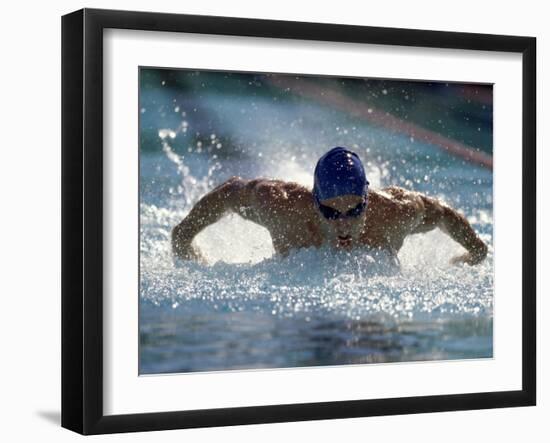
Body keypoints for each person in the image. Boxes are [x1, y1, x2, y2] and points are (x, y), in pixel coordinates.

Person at [172, 146, 488, 265]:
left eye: (353, 211)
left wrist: (475, 250)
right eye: (330, 212)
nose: (343, 223)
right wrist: (184, 236)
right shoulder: (283, 208)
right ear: (314, 201)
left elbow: (443, 214)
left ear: (367, 200)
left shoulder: (394, 212)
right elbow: (230, 192)